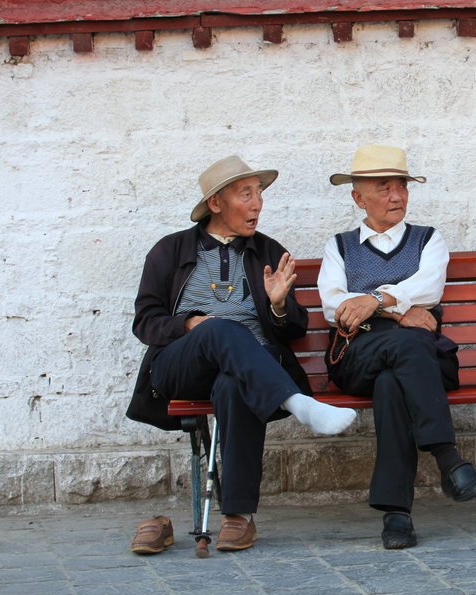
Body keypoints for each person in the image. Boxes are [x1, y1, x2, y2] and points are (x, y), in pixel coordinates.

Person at [127, 155, 356, 554]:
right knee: (218, 327)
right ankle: (298, 403)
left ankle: (238, 516)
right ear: (216, 203)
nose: (257, 203)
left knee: (235, 384)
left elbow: (295, 329)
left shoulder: (269, 251)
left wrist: (279, 305)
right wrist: (188, 326)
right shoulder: (170, 250)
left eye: (259, 193)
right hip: (181, 366)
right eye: (245, 193)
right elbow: (145, 322)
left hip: (251, 369)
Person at [318, 144, 476, 549]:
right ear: (358, 197)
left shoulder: (428, 239)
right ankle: (449, 460)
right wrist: (397, 310)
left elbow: (429, 287)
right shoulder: (339, 246)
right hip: (357, 356)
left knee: (393, 382)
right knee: (405, 346)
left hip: (418, 362)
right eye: (384, 188)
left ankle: (397, 515)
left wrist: (372, 301)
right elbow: (334, 308)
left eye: (401, 187)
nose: (397, 196)